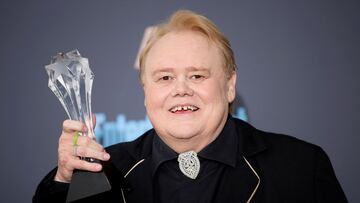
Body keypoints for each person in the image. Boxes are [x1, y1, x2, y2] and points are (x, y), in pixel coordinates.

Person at [33, 10, 347, 203]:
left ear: (229, 86)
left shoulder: (302, 168)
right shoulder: (102, 172)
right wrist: (64, 182)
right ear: (146, 92)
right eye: (165, 77)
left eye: (197, 75)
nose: (180, 90)